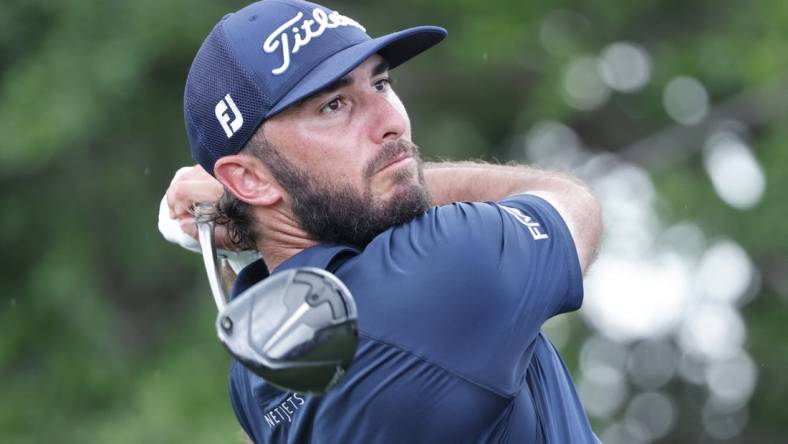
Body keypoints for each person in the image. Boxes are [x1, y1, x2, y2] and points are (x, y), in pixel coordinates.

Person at [160, 0, 603, 442]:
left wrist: (251, 214)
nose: (393, 121)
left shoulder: (254, 369)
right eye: (334, 105)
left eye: (381, 82)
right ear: (249, 179)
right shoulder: (444, 269)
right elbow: (573, 203)